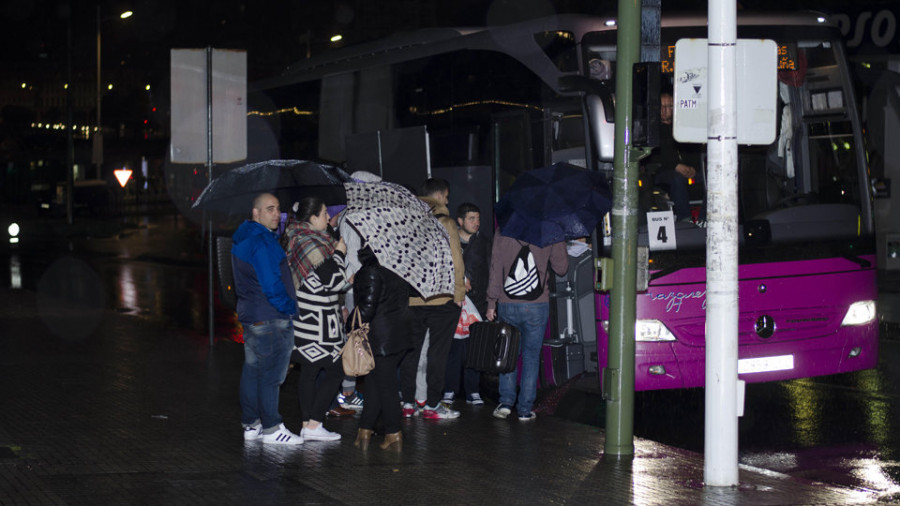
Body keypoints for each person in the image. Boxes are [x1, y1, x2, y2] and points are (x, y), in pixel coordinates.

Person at [232, 193, 302, 445]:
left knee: (252, 372)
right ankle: (272, 427)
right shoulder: (262, 242)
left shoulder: (244, 238)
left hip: (253, 316)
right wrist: (289, 308)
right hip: (271, 317)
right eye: (269, 209)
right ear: (256, 213)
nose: (276, 214)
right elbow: (271, 284)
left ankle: (251, 424)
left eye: (278, 209)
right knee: (272, 375)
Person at [398, 178, 466, 419]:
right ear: (439, 197)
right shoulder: (446, 222)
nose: (447, 200)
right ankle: (432, 405)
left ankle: (407, 403)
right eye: (446, 196)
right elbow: (456, 259)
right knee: (438, 353)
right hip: (441, 298)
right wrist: (459, 294)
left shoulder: (407, 221)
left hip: (413, 298)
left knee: (410, 352)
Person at [283, 197, 350, 442]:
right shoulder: (310, 242)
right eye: (324, 214)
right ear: (312, 218)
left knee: (309, 372)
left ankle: (308, 424)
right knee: (336, 370)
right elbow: (334, 281)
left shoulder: (302, 238)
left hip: (313, 319)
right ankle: (314, 423)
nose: (328, 218)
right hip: (318, 323)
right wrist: (340, 254)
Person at [486, 235, 568, 421]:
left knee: (508, 354)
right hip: (537, 305)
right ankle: (524, 409)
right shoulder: (549, 230)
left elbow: (495, 268)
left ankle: (506, 403)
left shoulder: (503, 230)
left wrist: (492, 302)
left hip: (508, 304)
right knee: (531, 357)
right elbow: (561, 268)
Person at [350, 245, 413, 451]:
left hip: (380, 339)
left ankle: (394, 433)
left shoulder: (370, 271)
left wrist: (348, 322)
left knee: (386, 388)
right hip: (396, 336)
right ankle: (365, 430)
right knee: (374, 385)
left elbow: (366, 309)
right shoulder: (397, 268)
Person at [442, 202, 491, 407]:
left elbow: (491, 271)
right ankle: (449, 389)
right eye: (471, 219)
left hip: (476, 303)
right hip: (452, 302)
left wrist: (490, 303)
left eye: (478, 219)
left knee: (474, 350)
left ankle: (473, 390)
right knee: (452, 349)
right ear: (460, 221)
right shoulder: (449, 242)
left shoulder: (485, 243)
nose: (476, 223)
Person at [643, 90, 699, 222]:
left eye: (669, 106)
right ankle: (684, 218)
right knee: (677, 178)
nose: (665, 110)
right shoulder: (651, 129)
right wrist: (676, 166)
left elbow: (693, 149)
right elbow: (655, 156)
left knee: (713, 177)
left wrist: (694, 168)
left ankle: (704, 218)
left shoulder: (683, 127)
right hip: (662, 171)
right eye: (662, 106)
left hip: (687, 169)